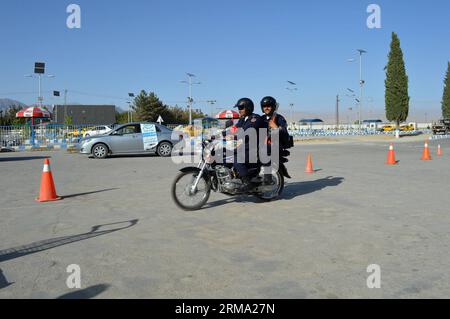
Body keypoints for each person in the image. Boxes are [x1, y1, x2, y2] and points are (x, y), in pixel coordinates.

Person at [232, 97, 267, 191]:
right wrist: (217, 135)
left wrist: (233, 137)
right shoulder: (243, 119)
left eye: (241, 107)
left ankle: (247, 182)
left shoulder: (255, 119)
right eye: (238, 108)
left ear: (248, 107)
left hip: (253, 149)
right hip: (244, 147)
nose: (239, 110)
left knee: (236, 159)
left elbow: (246, 133)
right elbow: (234, 129)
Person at [260, 96, 289, 184]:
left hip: (275, 145)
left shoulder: (279, 118)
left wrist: (275, 127)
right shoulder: (261, 119)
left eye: (269, 106)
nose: (267, 108)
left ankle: (268, 178)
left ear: (273, 106)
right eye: (264, 106)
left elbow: (285, 134)